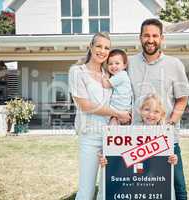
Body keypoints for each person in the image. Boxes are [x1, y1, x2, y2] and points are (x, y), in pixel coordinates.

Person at [128, 18, 189, 200]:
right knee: (140, 184)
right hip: (136, 137)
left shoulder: (174, 64)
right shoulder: (129, 64)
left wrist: (169, 124)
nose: (150, 40)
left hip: (167, 137)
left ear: (162, 38)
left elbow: (182, 98)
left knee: (178, 185)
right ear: (140, 38)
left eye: (155, 35)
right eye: (146, 35)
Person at [68, 32, 130, 200]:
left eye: (106, 48)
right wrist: (117, 113)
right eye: (99, 46)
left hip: (111, 136)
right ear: (91, 47)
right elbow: (85, 106)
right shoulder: (77, 71)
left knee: (107, 189)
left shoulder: (109, 75)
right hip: (90, 136)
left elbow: (121, 97)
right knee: (86, 190)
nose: (102, 50)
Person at [99, 93, 178, 167]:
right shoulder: (130, 132)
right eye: (147, 109)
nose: (151, 114)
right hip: (132, 177)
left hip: (154, 177)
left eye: (156, 111)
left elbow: (167, 159)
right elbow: (118, 155)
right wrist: (107, 158)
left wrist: (173, 159)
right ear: (140, 110)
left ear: (162, 114)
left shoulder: (165, 134)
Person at [102, 49, 133, 125]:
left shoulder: (121, 75)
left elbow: (105, 85)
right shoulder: (119, 75)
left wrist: (104, 75)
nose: (113, 66)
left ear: (124, 65)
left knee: (113, 129)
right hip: (122, 110)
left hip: (120, 109)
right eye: (110, 64)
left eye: (117, 63)